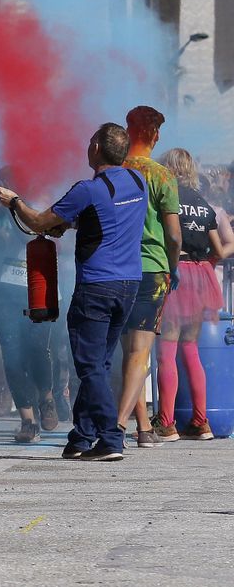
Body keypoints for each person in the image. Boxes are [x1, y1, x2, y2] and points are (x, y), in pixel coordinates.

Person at [0, 122, 148, 461]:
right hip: (129, 285)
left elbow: (36, 222)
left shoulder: (87, 189)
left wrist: (14, 201)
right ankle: (81, 436)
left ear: (96, 149)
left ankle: (110, 438)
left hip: (96, 286)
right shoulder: (138, 182)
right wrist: (72, 223)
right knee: (99, 363)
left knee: (90, 366)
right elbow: (106, 218)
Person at [0, 166, 59, 444]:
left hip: (37, 288)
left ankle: (47, 398)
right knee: (11, 355)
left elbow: (33, 231)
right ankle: (27, 420)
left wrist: (14, 207)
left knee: (38, 349)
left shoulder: (37, 206)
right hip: (3, 291)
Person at [116, 106, 181, 448]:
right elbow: (173, 235)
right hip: (153, 268)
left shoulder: (114, 170)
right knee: (140, 354)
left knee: (129, 353)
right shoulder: (162, 175)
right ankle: (119, 425)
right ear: (156, 134)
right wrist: (175, 267)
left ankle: (143, 427)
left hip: (116, 268)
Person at [155, 148, 230, 441]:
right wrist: (208, 262)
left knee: (166, 350)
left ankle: (167, 423)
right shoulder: (202, 203)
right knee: (190, 348)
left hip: (178, 272)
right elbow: (221, 249)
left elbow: (170, 237)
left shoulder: (167, 198)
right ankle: (201, 422)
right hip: (202, 274)